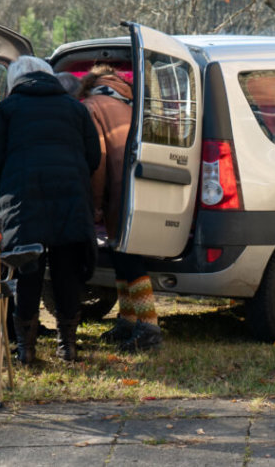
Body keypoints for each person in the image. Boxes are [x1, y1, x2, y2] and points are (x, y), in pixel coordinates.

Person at [0, 56, 101, 364]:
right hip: (70, 198)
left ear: (14, 81)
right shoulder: (75, 108)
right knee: (67, 270)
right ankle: (68, 346)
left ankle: (26, 350)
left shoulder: (7, 110)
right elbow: (94, 157)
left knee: (27, 270)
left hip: (23, 200)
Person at [80, 64, 163, 352]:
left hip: (117, 189)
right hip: (142, 187)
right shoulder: (132, 104)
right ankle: (128, 321)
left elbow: (98, 161)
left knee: (128, 258)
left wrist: (95, 204)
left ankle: (149, 326)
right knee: (122, 255)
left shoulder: (91, 106)